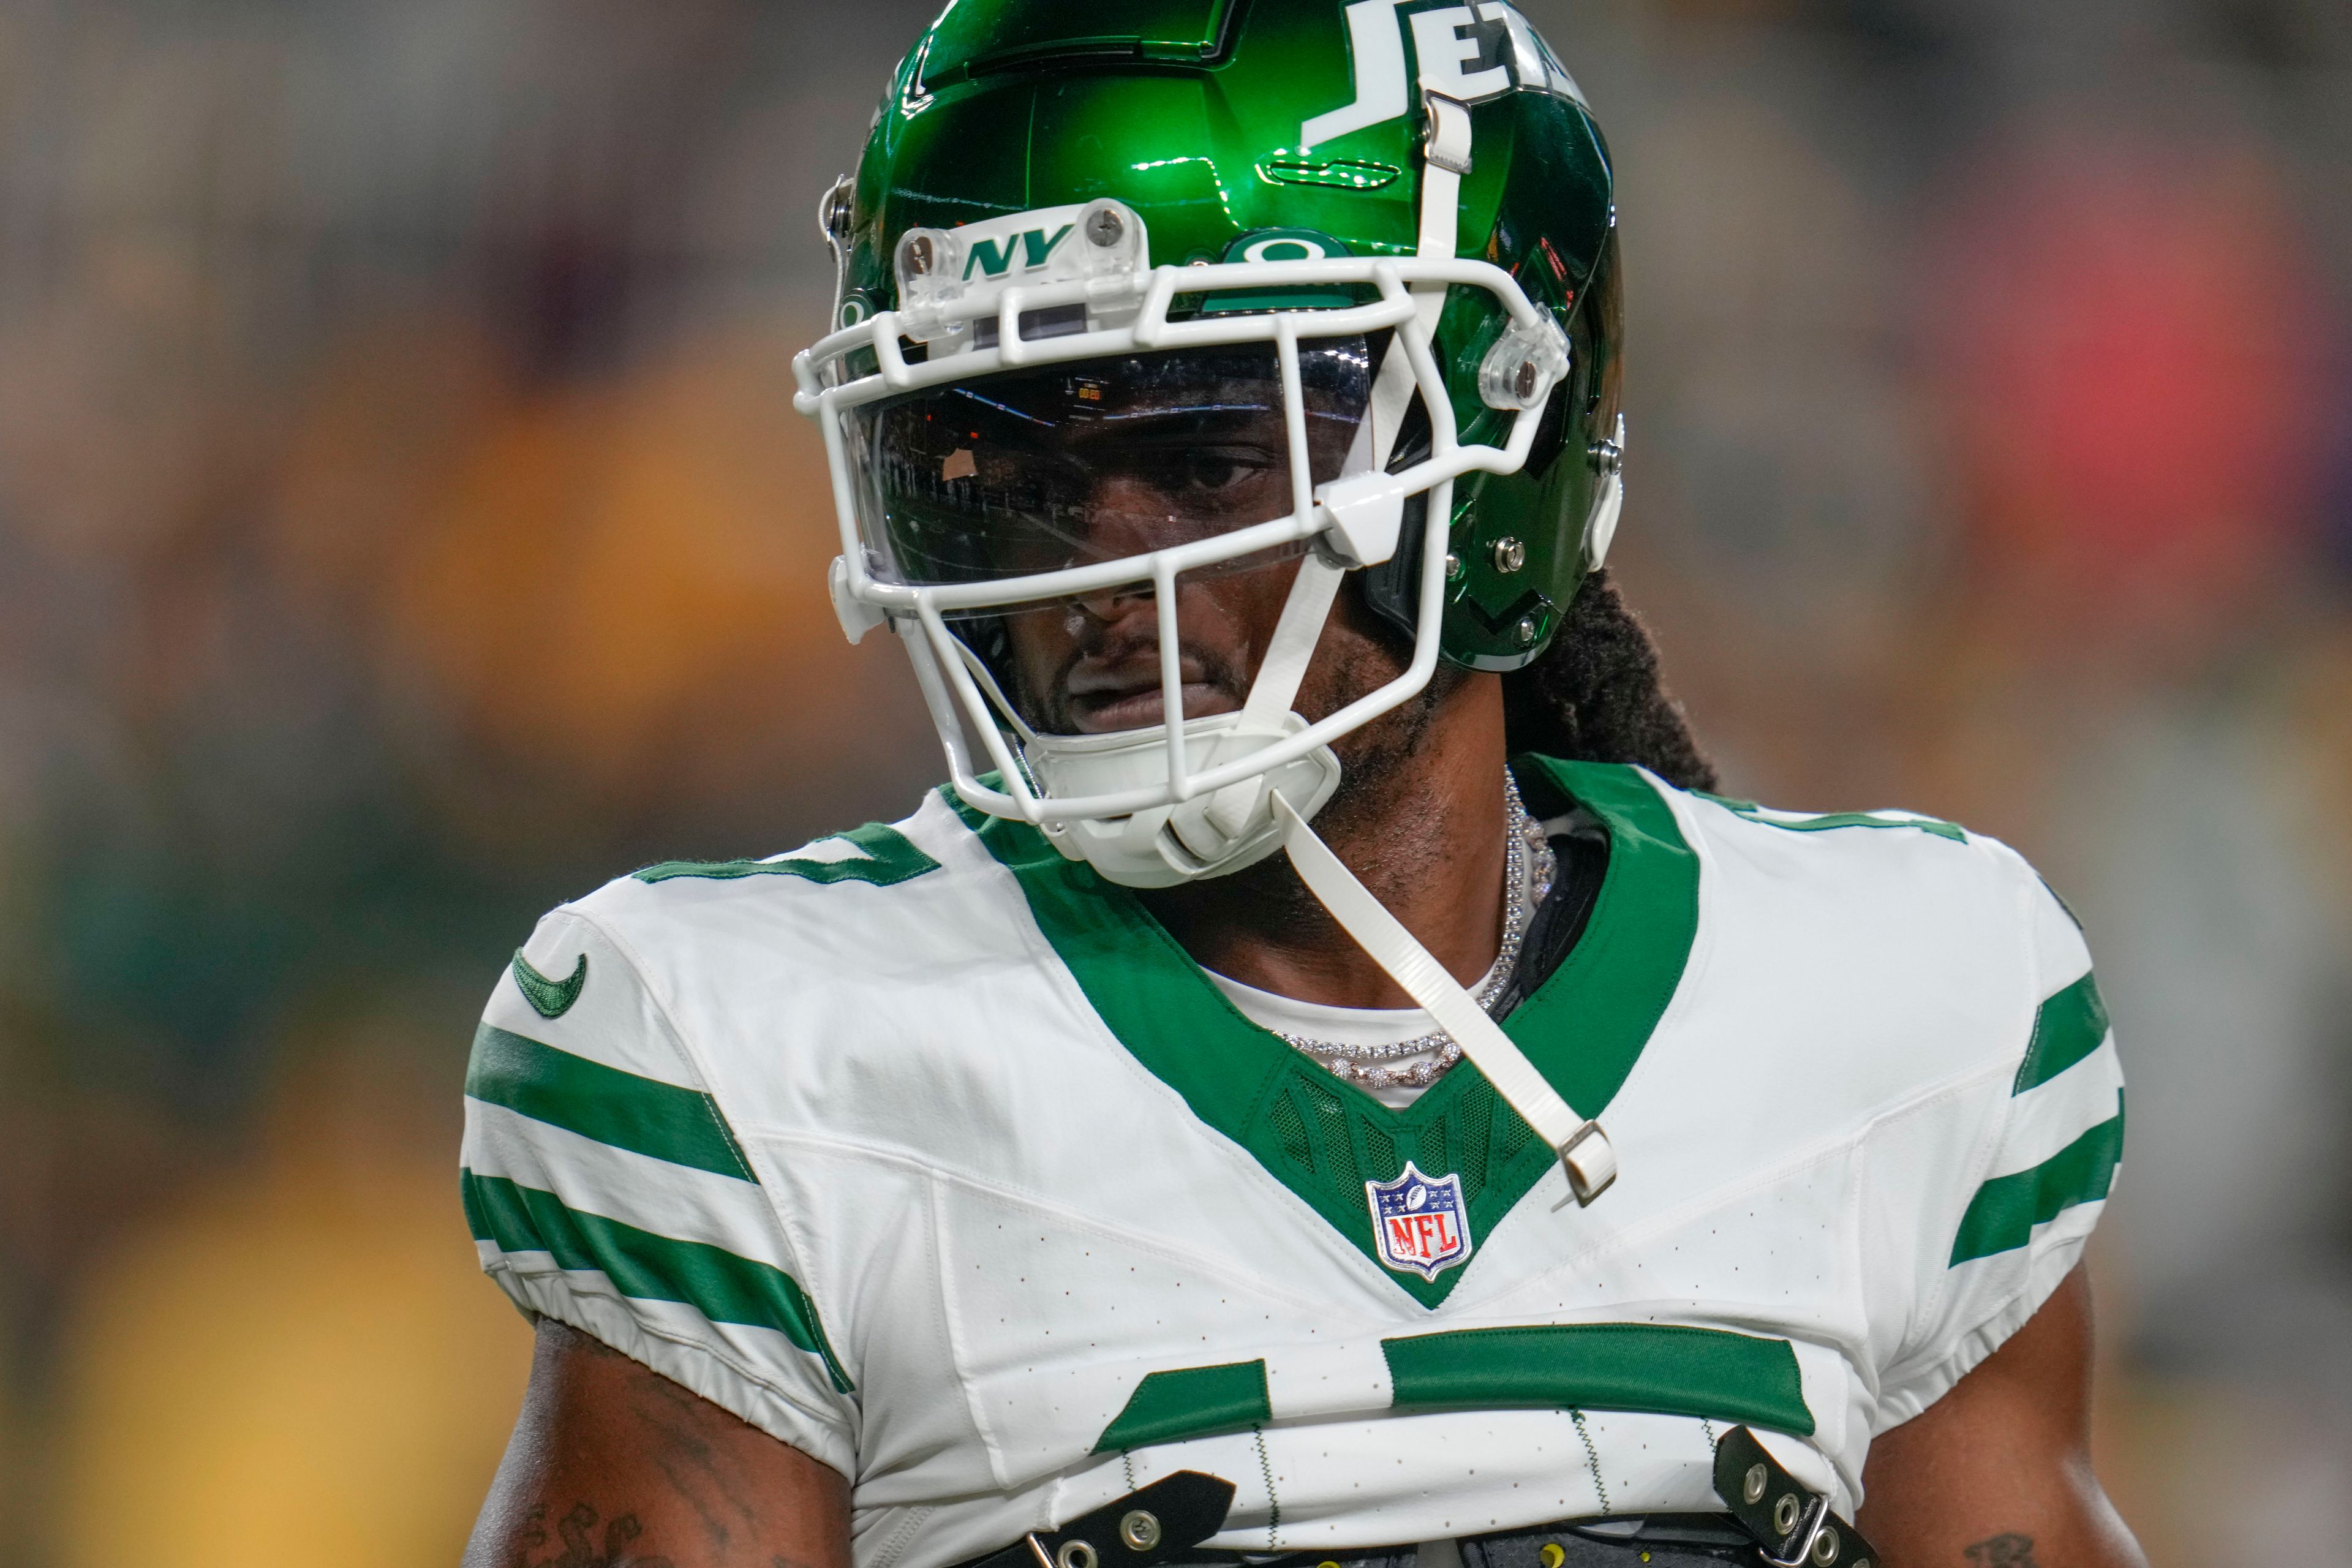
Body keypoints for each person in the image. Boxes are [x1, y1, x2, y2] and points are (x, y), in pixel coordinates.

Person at [459, 4, 2145, 1566]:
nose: (1094, 572)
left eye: (1203, 455)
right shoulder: (753, 1052)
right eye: (1007, 470)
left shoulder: (1903, 1001)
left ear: (1489, 450)